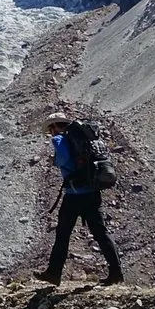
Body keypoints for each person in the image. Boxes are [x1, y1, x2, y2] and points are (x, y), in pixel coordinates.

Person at [39, 110, 122, 285]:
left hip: (74, 195)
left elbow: (63, 159)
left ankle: (54, 273)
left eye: (50, 129)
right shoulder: (84, 138)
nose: (51, 133)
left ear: (54, 127)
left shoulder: (59, 139)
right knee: (101, 233)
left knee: (63, 234)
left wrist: (56, 161)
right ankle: (116, 273)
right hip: (92, 192)